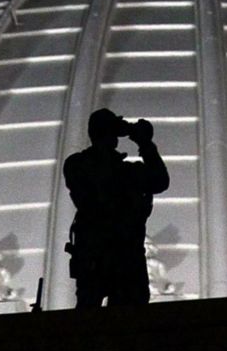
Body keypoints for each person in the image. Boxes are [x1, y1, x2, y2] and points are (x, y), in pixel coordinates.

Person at [63, 108, 169, 308]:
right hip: (118, 258)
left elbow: (160, 181)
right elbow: (159, 179)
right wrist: (143, 142)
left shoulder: (76, 165)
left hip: (108, 257)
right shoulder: (122, 172)